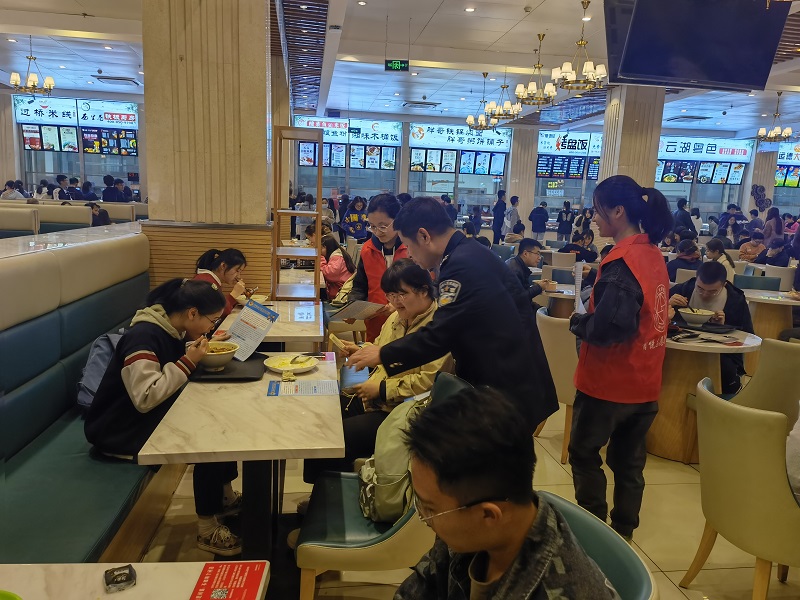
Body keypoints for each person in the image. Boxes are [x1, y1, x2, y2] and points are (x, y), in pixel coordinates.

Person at [348, 197, 558, 434]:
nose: (411, 256)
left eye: (409, 246)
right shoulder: (471, 253)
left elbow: (441, 333)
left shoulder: (459, 267)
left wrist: (384, 354)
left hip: (506, 385)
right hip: (515, 377)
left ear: (424, 236)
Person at [395, 386, 620, 600]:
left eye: (430, 509)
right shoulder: (468, 516)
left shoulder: (564, 591)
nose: (424, 517)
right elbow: (421, 585)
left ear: (489, 515)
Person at [84, 278, 243, 556]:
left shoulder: (169, 328)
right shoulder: (143, 337)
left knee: (218, 419)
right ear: (192, 313)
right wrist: (189, 361)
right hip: (119, 429)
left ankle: (225, 496)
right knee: (208, 438)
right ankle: (207, 529)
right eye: (211, 321)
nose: (211, 328)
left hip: (139, 418)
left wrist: (193, 348)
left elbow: (165, 358)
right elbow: (146, 396)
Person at [568, 175, 672, 540]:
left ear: (618, 211)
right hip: (645, 381)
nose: (594, 218)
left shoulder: (622, 262)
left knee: (584, 454)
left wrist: (578, 322)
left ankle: (595, 534)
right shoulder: (652, 253)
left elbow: (609, 327)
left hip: (609, 383)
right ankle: (624, 531)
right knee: (629, 463)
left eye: (598, 210)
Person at [304, 259, 452, 484]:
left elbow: (429, 381)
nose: (395, 301)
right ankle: (322, 488)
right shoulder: (396, 317)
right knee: (322, 414)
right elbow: (381, 349)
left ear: (424, 291)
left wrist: (382, 389)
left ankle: (333, 492)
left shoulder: (438, 329)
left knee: (339, 435)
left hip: (403, 411)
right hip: (376, 400)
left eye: (401, 294)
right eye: (390, 295)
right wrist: (361, 350)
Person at [669, 261, 754, 394]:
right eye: (700, 288)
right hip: (681, 345)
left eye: (712, 291)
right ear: (696, 279)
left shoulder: (735, 299)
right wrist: (667, 303)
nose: (704, 294)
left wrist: (724, 327)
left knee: (726, 370)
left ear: (724, 285)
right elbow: (655, 318)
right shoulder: (683, 290)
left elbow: (747, 336)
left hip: (718, 353)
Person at [349, 194, 409, 342]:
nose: (377, 232)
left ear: (398, 220)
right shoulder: (367, 249)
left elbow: (425, 290)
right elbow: (360, 286)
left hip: (408, 327)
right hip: (376, 327)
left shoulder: (412, 249)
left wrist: (398, 305)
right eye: (373, 226)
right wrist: (352, 307)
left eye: (383, 226)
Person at [193, 248, 247, 319]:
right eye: (237, 270)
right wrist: (234, 294)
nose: (238, 276)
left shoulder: (210, 279)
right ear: (223, 266)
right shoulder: (206, 282)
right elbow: (219, 313)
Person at [319, 234, 355, 299]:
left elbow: (329, 274)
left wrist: (321, 259)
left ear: (326, 247)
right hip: (339, 288)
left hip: (341, 292)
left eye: (321, 248)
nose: (320, 251)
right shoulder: (338, 253)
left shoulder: (337, 257)